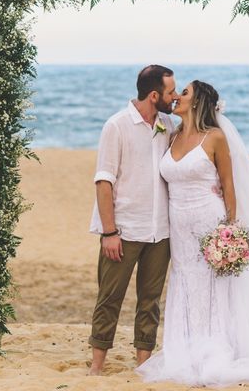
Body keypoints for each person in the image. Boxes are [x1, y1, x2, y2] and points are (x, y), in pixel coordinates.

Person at [136, 80, 249, 386]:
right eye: (177, 92)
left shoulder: (215, 137)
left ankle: (216, 350)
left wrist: (228, 231)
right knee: (185, 282)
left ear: (198, 102)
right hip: (178, 225)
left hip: (210, 220)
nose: (177, 97)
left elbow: (228, 186)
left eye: (185, 93)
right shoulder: (173, 135)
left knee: (214, 287)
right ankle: (186, 349)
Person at [87, 64, 178, 375]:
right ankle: (97, 366)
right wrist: (109, 232)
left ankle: (143, 364)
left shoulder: (168, 123)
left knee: (150, 302)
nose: (175, 97)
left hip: (160, 232)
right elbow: (103, 182)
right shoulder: (117, 126)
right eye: (170, 92)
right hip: (124, 230)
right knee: (109, 298)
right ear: (154, 95)